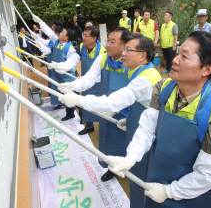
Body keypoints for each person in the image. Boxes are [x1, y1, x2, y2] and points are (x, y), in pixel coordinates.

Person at [108, 31, 211, 208]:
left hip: (193, 193)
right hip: (158, 174)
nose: (175, 60)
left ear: (207, 69)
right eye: (177, 53)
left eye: (184, 57)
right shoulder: (163, 88)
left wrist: (169, 191)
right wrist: (131, 157)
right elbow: (148, 128)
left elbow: (207, 174)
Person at [59, 33, 162, 186]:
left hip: (149, 132)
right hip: (140, 123)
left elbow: (113, 102)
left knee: (142, 170)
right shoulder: (140, 71)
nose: (123, 53)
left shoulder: (143, 79)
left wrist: (78, 99)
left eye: (128, 50)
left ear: (142, 56)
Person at [56, 27, 131, 182]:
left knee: (130, 141)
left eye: (112, 41)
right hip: (106, 109)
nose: (108, 45)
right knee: (108, 138)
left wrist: (120, 108)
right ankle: (111, 167)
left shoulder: (132, 63)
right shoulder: (103, 58)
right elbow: (89, 78)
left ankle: (130, 167)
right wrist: (74, 86)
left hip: (127, 112)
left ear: (125, 45)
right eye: (107, 40)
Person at [32, 14, 80, 121]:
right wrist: (40, 22)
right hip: (58, 73)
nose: (59, 33)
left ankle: (71, 112)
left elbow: (71, 63)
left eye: (62, 33)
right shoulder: (57, 41)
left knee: (70, 93)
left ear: (67, 37)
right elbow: (49, 31)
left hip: (67, 75)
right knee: (59, 91)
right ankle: (62, 105)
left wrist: (61, 67)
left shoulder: (70, 49)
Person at [62, 26, 106, 134]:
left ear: (94, 38)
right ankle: (89, 125)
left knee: (100, 105)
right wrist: (63, 66)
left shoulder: (102, 51)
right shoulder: (82, 47)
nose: (83, 38)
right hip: (85, 82)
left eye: (86, 36)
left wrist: (88, 80)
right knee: (86, 105)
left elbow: (101, 73)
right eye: (83, 35)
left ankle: (104, 128)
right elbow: (74, 60)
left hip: (98, 83)